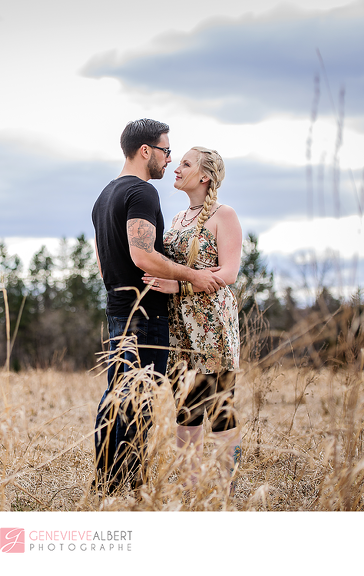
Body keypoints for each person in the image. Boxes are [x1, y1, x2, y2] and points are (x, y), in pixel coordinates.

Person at [91, 121, 225, 494]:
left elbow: (103, 262)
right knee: (140, 401)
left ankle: (106, 483)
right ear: (146, 151)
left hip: (118, 310)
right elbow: (142, 254)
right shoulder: (142, 193)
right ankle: (128, 484)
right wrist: (193, 277)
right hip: (145, 314)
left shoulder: (104, 196)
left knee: (117, 395)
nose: (169, 160)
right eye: (167, 151)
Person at [142, 146, 243, 492]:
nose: (176, 167)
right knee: (186, 405)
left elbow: (227, 274)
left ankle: (224, 487)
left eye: (184, 163)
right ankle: (191, 486)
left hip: (212, 326)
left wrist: (178, 287)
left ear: (204, 176)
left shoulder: (223, 215)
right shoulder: (177, 220)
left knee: (219, 406)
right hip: (180, 327)